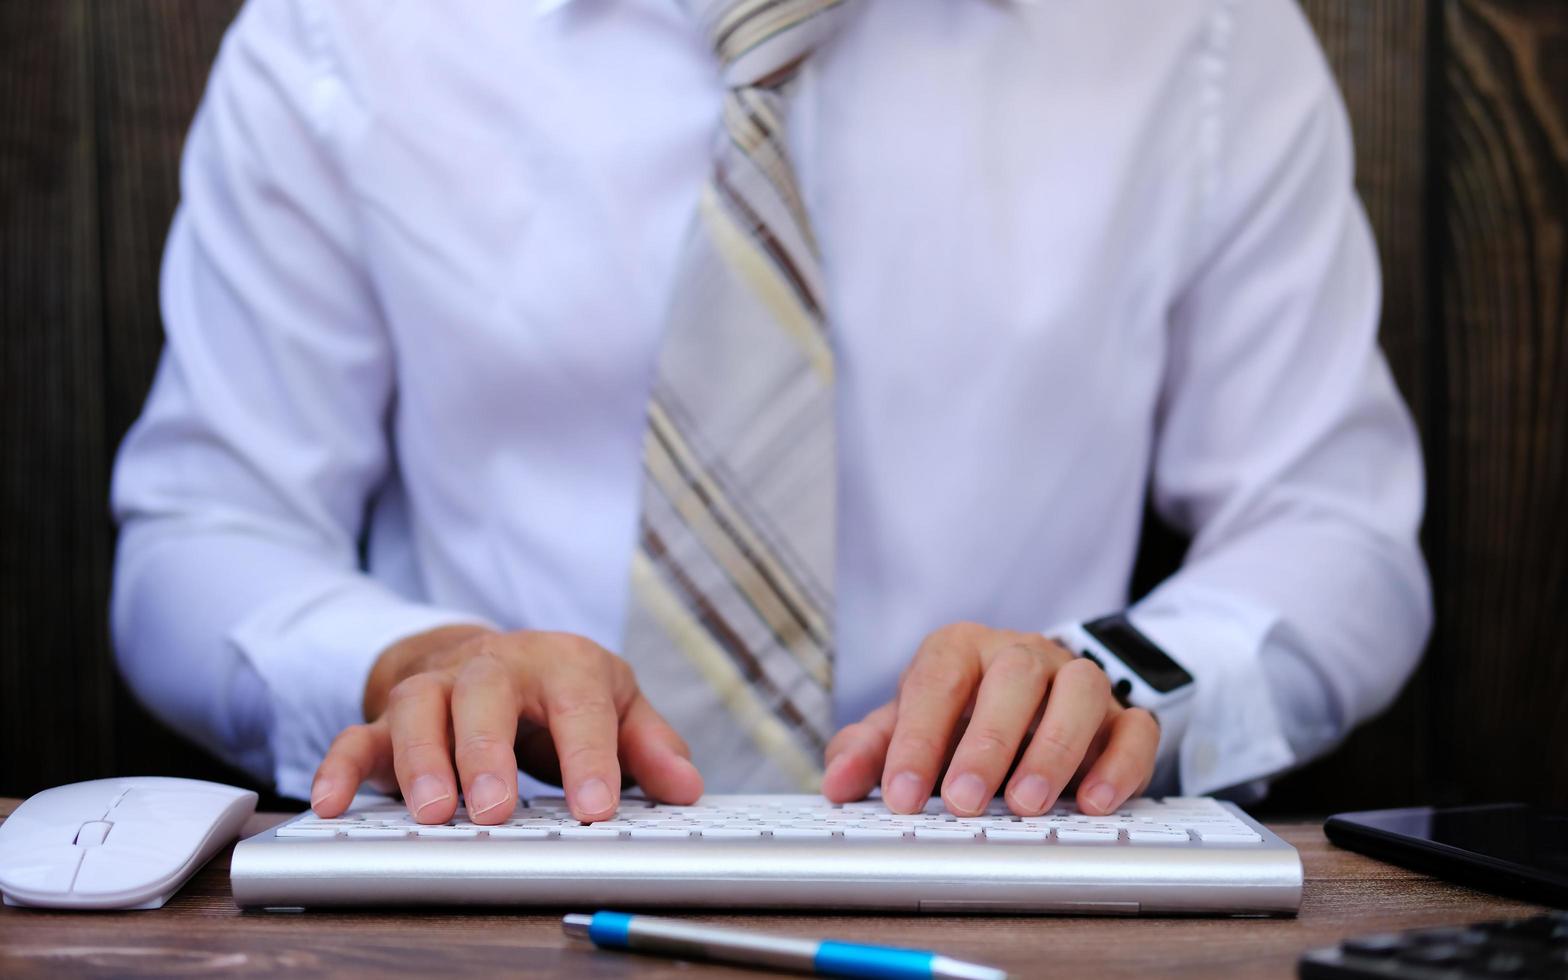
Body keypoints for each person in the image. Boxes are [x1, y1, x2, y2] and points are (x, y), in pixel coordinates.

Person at [110, 0, 1432, 827]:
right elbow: (202, 529)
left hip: (1008, 867)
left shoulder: (1201, 32)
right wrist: (411, 668)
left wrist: (1114, 683)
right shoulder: (345, 29)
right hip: (493, 861)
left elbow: (1332, 529)